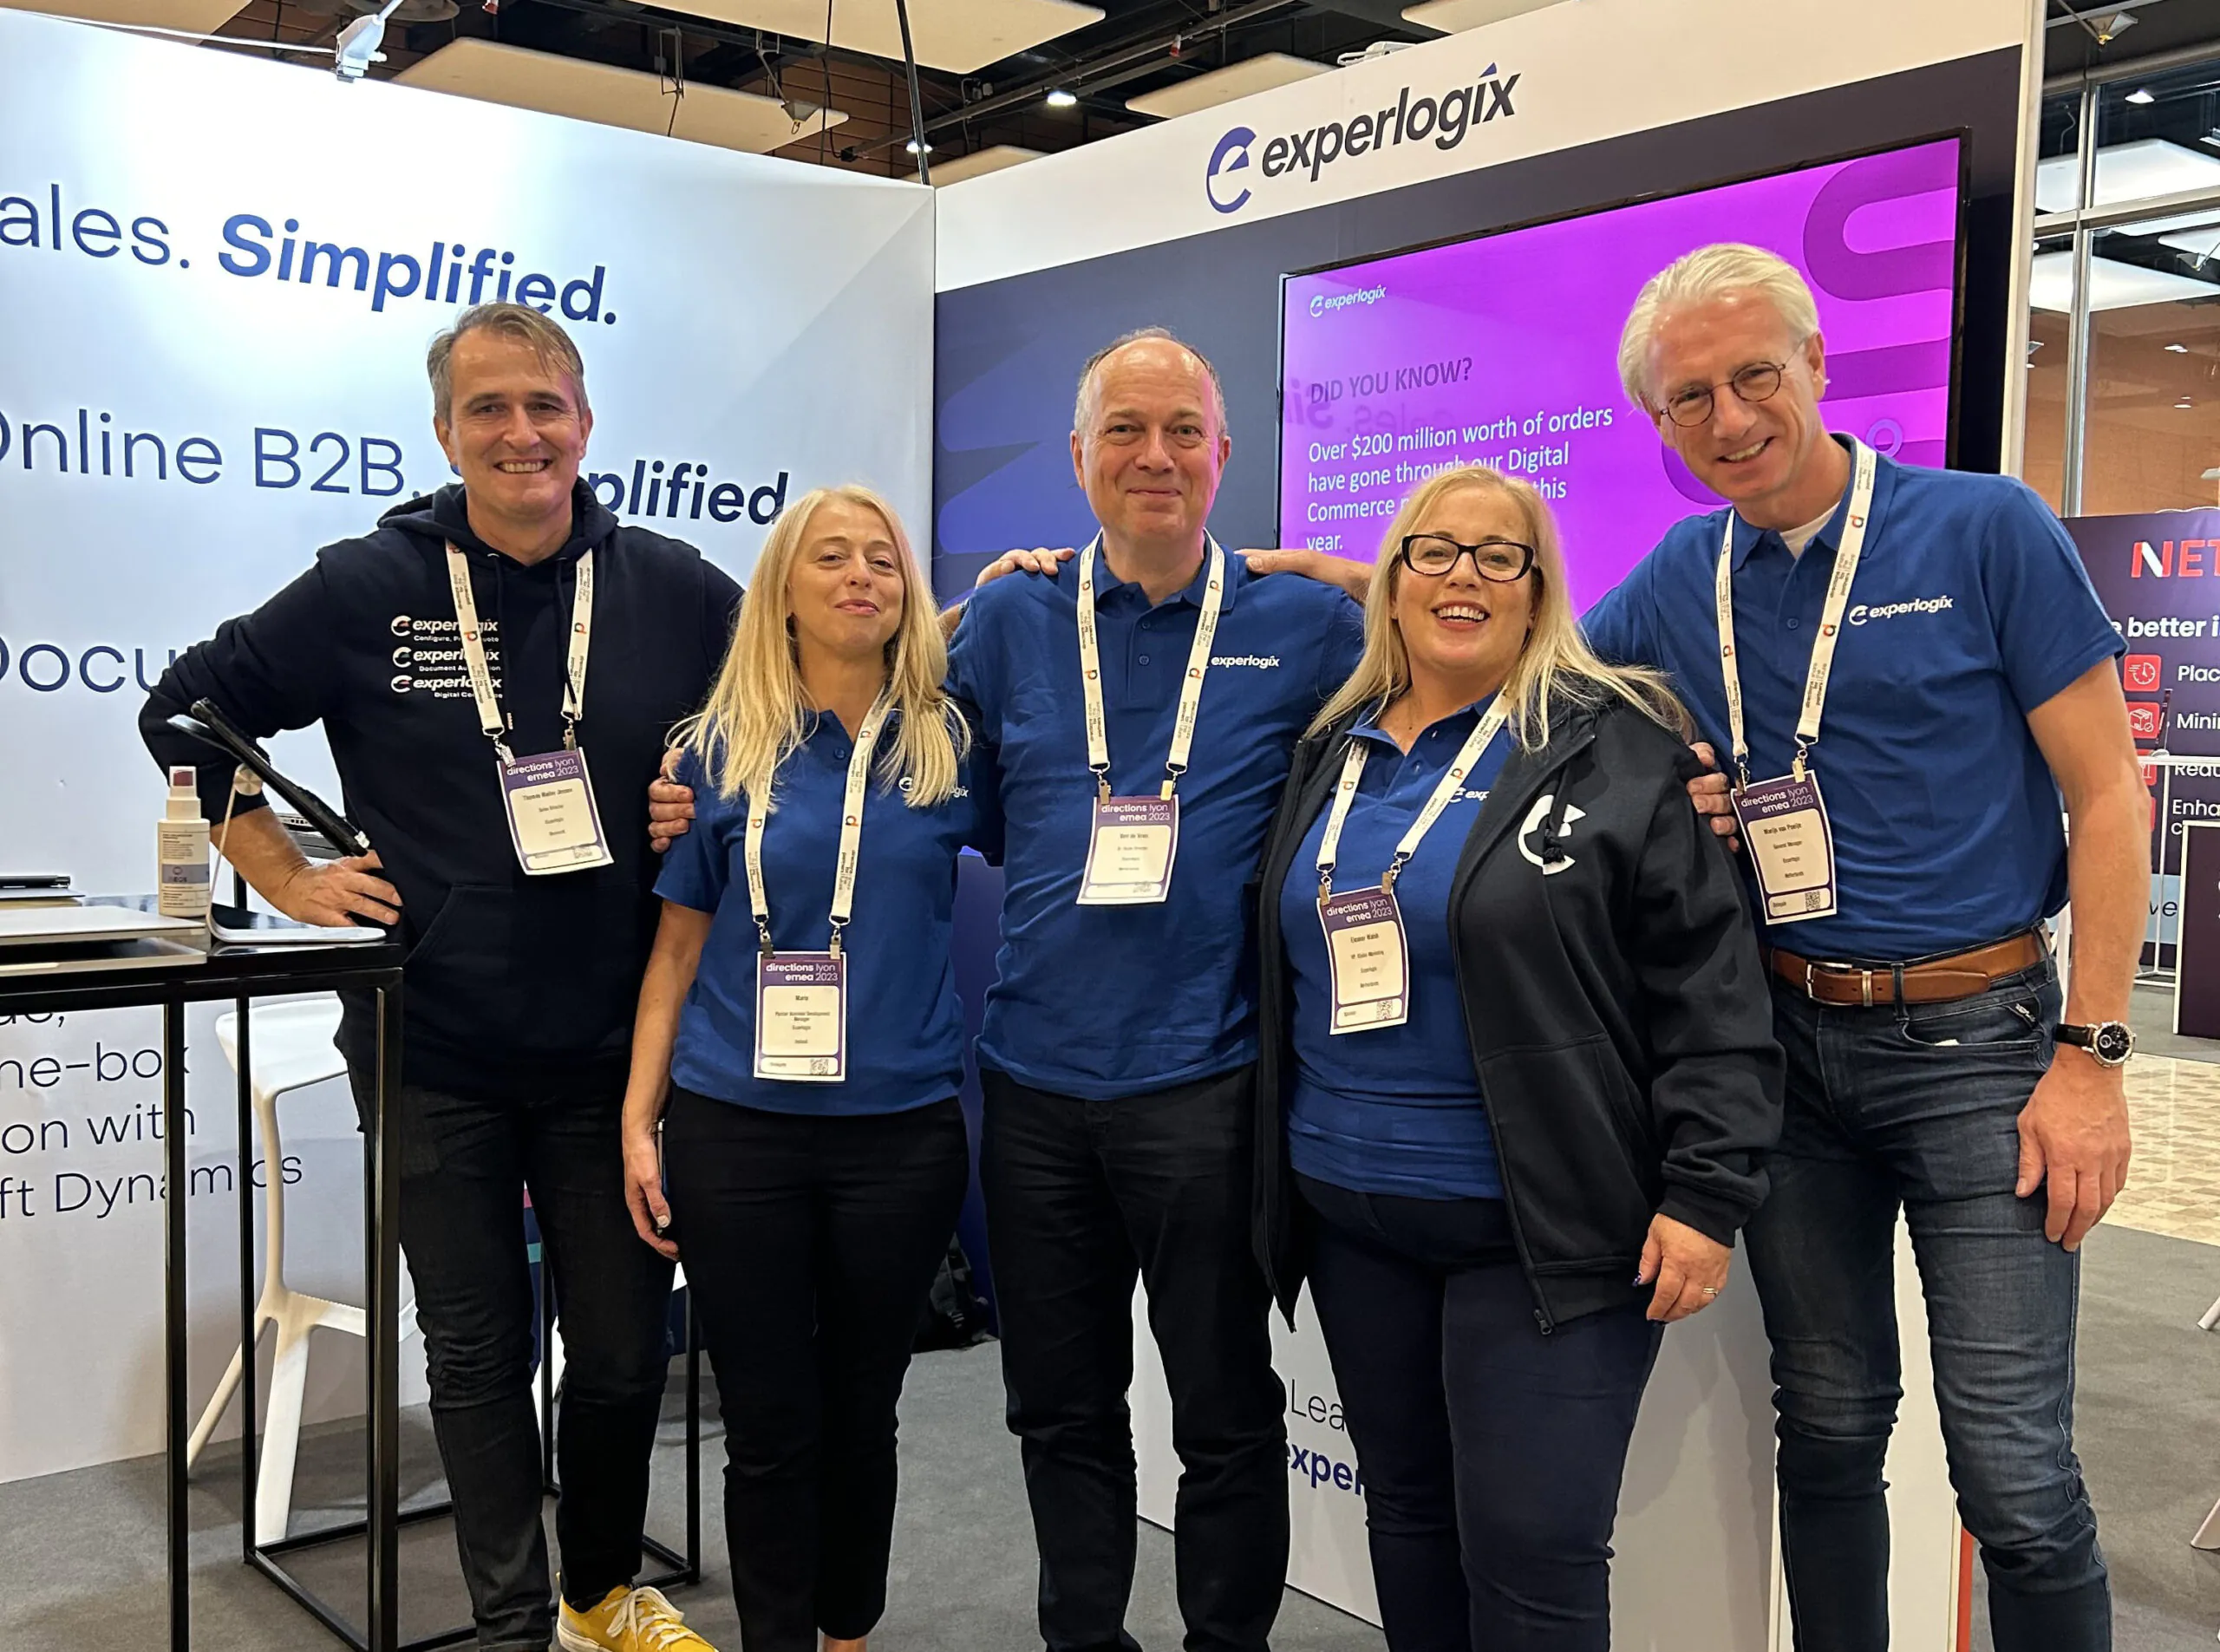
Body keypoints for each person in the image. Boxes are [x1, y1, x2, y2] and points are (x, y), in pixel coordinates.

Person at [655, 328, 1366, 1652]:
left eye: (1182, 432)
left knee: (1222, 1407)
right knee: (1060, 1406)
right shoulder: (1006, 621)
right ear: (1082, 457)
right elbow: (856, 717)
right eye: (1125, 433)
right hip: (1032, 1091)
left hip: (1207, 1087)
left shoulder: (1309, 624)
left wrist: (1348, 565)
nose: (1154, 457)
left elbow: (1486, 629)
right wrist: (699, 790)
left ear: (1225, 453)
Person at [140, 303, 735, 1652]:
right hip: (433, 1039)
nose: (520, 433)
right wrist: (286, 879)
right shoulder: (369, 583)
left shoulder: (675, 585)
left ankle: (598, 1597)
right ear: (445, 431)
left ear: (586, 423)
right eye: (488, 410)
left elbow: (783, 710)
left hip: (615, 1048)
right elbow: (182, 713)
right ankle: (512, 1621)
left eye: (545, 406)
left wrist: (700, 797)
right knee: (474, 1355)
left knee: (627, 1350)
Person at [1580, 244, 2144, 1649]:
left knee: (2013, 1476)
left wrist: (2093, 1057)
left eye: (1754, 376)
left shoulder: (1982, 529)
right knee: (1827, 1428)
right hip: (1784, 1054)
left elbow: (2111, 795)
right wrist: (1371, 576)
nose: (1728, 419)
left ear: (1817, 367)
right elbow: (1539, 683)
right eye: (1688, 399)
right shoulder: (1678, 575)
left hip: (1984, 1054)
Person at [1250, 461, 1782, 1650]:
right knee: (1411, 1522)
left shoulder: (1617, 747)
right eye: (1434, 551)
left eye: (1501, 556)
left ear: (1539, 590)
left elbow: (1710, 982)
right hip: (1349, 1213)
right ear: (1391, 582)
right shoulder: (1328, 749)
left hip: (1543, 1219)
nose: (1465, 577)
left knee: (1535, 1552)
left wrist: (1707, 1189)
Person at [619, 486, 991, 1652]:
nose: (860, 577)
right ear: (785, 588)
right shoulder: (715, 751)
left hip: (902, 1131)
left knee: (864, 1413)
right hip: (739, 1129)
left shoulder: (949, 746)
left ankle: (850, 1635)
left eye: (882, 560)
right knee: (771, 1419)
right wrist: (642, 1120)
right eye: (830, 558)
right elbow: (676, 949)